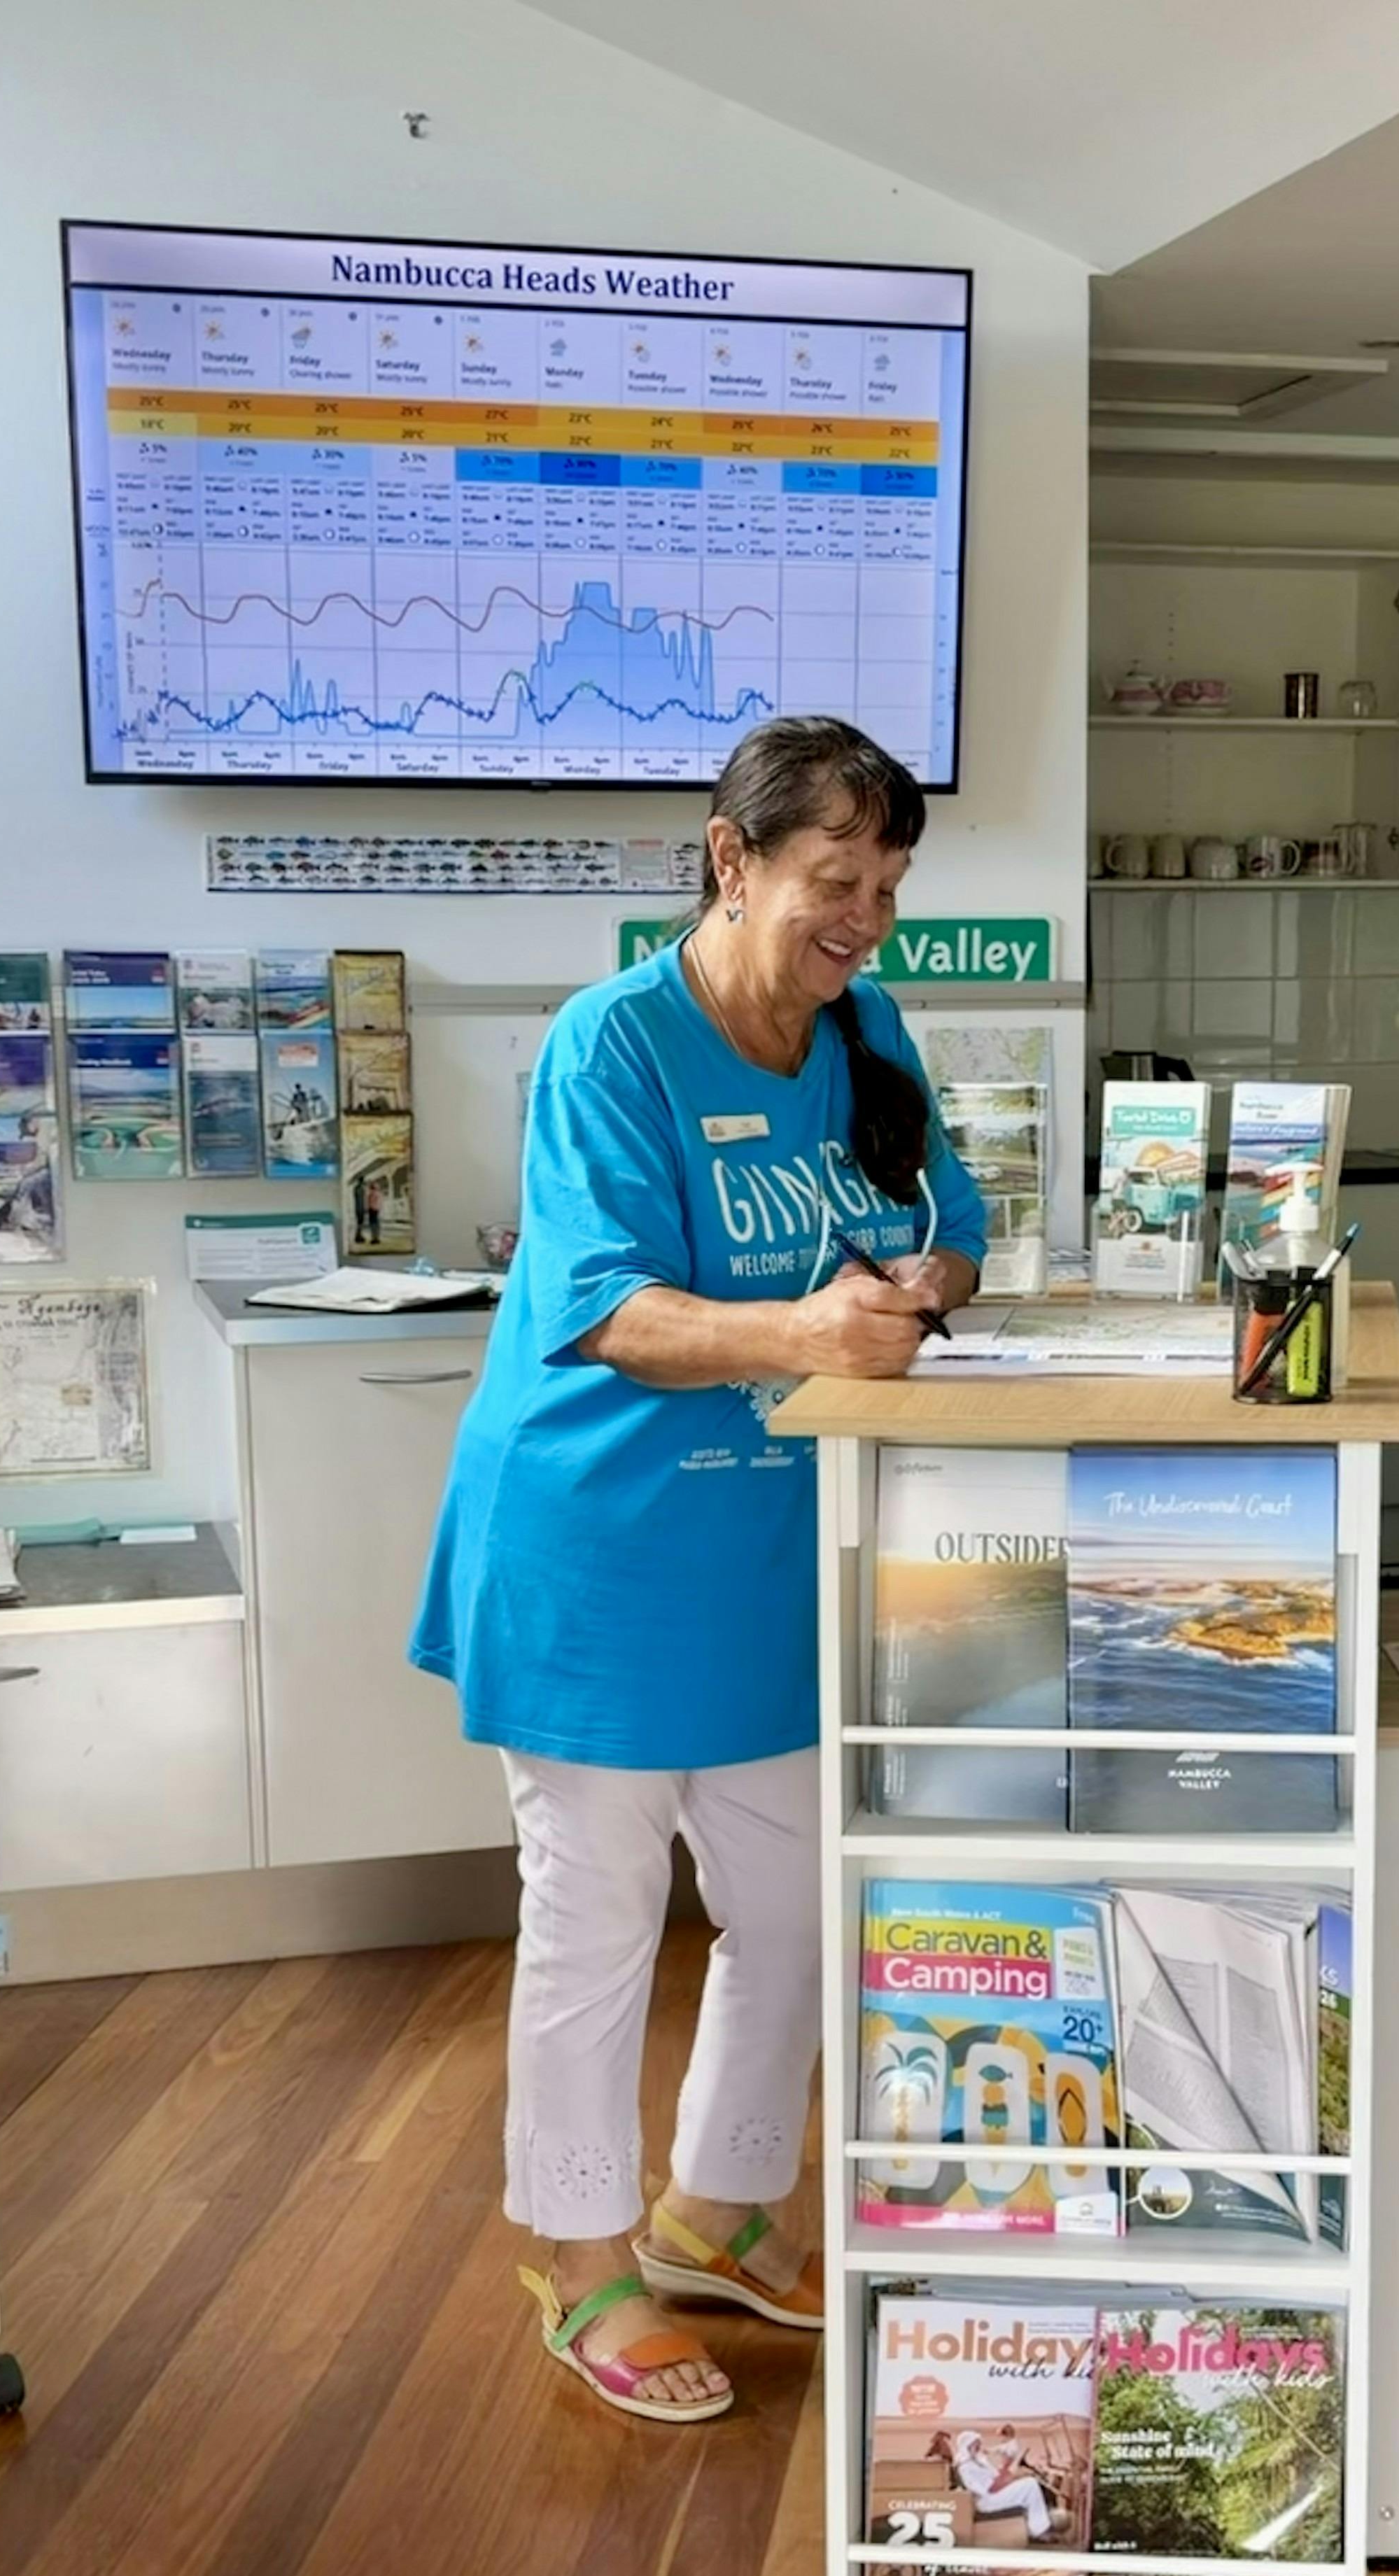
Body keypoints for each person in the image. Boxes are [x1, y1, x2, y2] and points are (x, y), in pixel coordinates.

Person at [414, 717, 983, 2423]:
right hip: (596, 1550)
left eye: (888, 887)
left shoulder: (866, 1029)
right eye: (836, 879)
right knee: (596, 1918)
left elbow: (954, 1224)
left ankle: (712, 2214)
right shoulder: (614, 1041)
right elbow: (606, 1307)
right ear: (732, 860)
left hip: (766, 1555)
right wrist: (805, 1330)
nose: (864, 920)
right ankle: (582, 2264)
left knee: (801, 1905)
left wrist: (922, 1288)